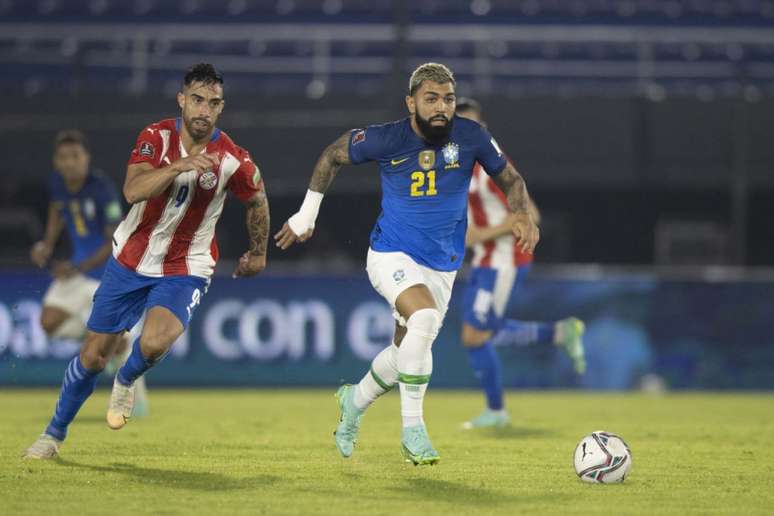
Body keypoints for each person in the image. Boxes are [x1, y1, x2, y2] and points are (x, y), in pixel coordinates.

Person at [275, 63, 540, 465]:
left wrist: (520, 212)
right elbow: (332, 155)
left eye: (448, 99)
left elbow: (511, 179)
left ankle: (354, 401)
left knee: (404, 355)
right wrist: (306, 215)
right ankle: (413, 430)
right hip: (390, 254)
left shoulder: (471, 136)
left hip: (443, 266)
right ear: (411, 101)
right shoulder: (387, 138)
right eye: (431, 98)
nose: (441, 107)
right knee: (426, 320)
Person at [23, 63, 270, 459]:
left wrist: (258, 251)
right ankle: (52, 436)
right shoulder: (155, 137)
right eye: (197, 100)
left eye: (213, 103)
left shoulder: (232, 158)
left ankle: (127, 378)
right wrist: (178, 167)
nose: (204, 110)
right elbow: (134, 190)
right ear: (182, 100)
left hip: (186, 266)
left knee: (155, 342)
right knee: (91, 355)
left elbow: (256, 197)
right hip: (131, 258)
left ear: (221, 108)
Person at [456, 98, 586, 430]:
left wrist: (482, 233)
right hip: (485, 260)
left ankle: (497, 412)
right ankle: (559, 332)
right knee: (474, 333)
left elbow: (532, 215)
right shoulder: (460, 164)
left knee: (476, 333)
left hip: (504, 260)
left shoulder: (490, 167)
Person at [30, 129, 150, 417]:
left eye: (75, 156)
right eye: (64, 157)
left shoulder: (101, 188)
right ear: (56, 161)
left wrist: (78, 267)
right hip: (78, 268)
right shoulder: (57, 183)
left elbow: (114, 239)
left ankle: (138, 403)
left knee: (117, 340)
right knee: (49, 323)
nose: (70, 162)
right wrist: (46, 243)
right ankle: (108, 343)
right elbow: (58, 210)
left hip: (105, 272)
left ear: (86, 158)